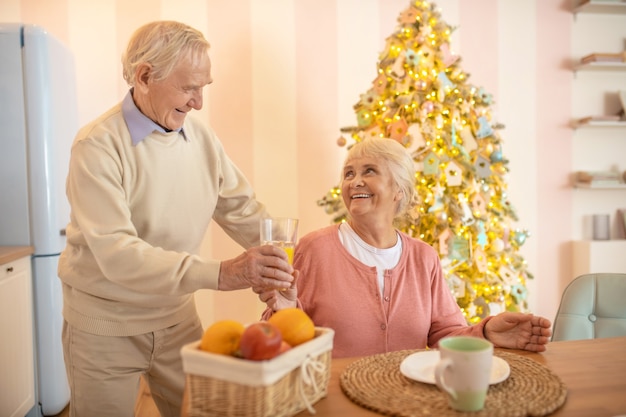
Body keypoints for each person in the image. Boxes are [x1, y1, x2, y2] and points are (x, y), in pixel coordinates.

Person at [58, 21, 294, 417]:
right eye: (189, 88)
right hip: (104, 328)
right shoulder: (96, 146)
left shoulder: (201, 139)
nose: (199, 102)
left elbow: (244, 212)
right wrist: (225, 273)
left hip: (177, 321)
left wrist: (286, 263)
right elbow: (118, 254)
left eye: (204, 87)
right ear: (145, 76)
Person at [256, 137, 552, 358]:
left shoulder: (424, 257)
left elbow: (445, 335)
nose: (355, 181)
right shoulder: (315, 249)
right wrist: (283, 311)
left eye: (369, 171)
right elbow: (282, 341)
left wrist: (486, 331)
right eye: (349, 174)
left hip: (406, 402)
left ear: (399, 190)